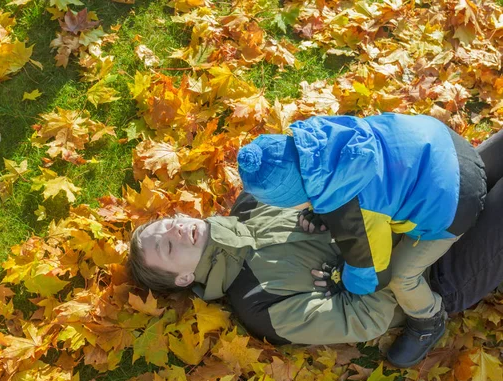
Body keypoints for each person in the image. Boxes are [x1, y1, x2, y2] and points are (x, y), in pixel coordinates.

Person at [126, 130, 503, 366]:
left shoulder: (251, 202)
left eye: (166, 223)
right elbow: (368, 318)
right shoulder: (259, 304)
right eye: (167, 246)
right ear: (185, 277)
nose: (174, 228)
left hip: (413, 204)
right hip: (433, 273)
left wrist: (329, 213)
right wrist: (361, 255)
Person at [236, 113, 487, 367]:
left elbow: (375, 274)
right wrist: (321, 209)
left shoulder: (355, 213)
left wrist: (342, 278)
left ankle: (429, 320)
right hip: (442, 142)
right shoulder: (320, 136)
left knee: (403, 277)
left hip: (455, 201)